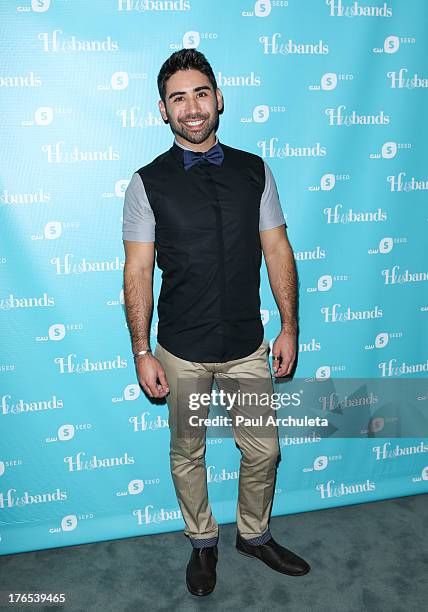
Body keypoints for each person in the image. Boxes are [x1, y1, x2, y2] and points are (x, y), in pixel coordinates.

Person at [122, 48, 310, 597]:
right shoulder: (146, 183)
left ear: (219, 98)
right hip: (180, 351)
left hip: (247, 347)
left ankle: (253, 534)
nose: (192, 107)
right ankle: (203, 542)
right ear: (164, 110)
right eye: (178, 98)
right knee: (188, 453)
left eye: (201, 93)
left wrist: (290, 325)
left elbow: (277, 250)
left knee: (264, 450)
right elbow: (137, 273)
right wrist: (141, 351)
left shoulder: (254, 170)